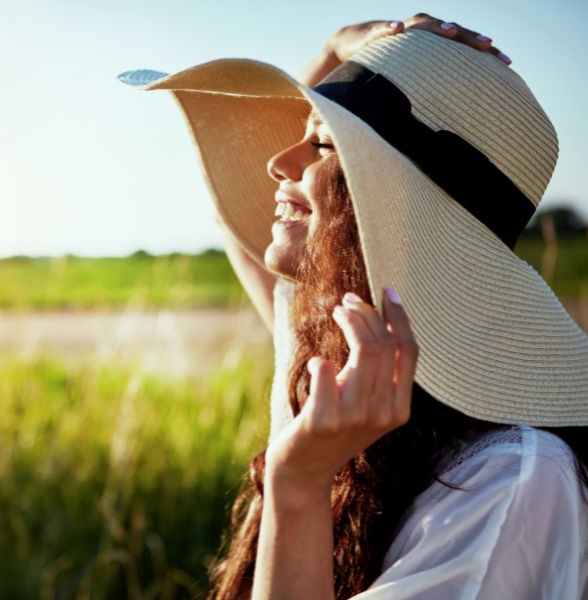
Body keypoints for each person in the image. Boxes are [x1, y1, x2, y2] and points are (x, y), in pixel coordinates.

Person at [118, 12, 588, 599]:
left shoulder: (512, 482)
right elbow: (233, 219)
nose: (276, 163)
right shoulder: (339, 347)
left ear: (397, 204)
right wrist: (335, 52)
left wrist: (299, 483)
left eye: (319, 143)